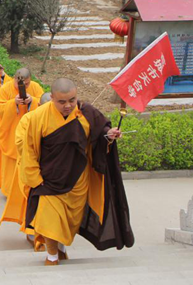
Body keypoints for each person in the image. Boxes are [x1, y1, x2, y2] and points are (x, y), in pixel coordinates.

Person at [20, 78, 133, 266]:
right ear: (52, 98)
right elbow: (29, 149)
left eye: (72, 100)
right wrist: (35, 179)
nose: (68, 105)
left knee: (68, 221)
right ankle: (52, 257)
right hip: (49, 179)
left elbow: (100, 133)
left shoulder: (86, 112)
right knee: (49, 219)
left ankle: (61, 250)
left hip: (78, 179)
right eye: (62, 102)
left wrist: (109, 135)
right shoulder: (38, 117)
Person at [0, 91, 52, 249]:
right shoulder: (28, 119)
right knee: (32, 203)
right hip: (31, 168)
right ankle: (32, 233)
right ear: (40, 106)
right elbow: (21, 143)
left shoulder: (64, 120)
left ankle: (51, 238)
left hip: (54, 171)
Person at [0, 68, 45, 196]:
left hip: (29, 133)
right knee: (11, 164)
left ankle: (26, 191)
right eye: (20, 83)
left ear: (30, 81)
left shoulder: (36, 87)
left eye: (27, 84)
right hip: (11, 132)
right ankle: (9, 192)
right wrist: (13, 103)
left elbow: (44, 105)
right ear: (14, 79)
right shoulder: (5, 89)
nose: (24, 86)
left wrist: (32, 101)